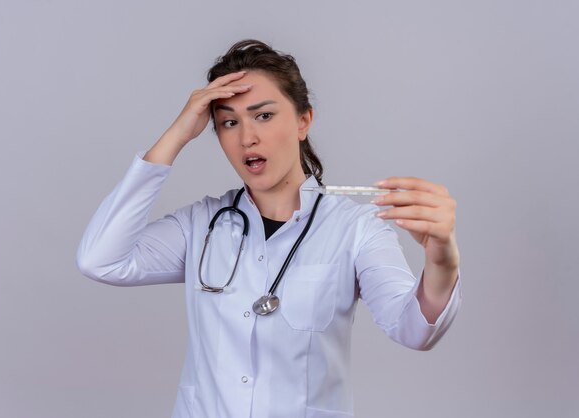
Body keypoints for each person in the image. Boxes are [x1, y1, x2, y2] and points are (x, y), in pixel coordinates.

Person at [76, 39, 461, 418]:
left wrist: (441, 256)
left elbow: (414, 331)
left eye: (263, 115)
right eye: (228, 122)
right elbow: (101, 260)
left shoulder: (355, 229)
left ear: (303, 121)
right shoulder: (201, 226)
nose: (247, 138)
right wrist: (177, 134)